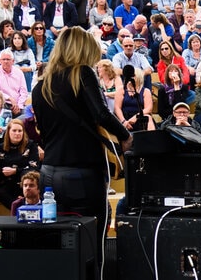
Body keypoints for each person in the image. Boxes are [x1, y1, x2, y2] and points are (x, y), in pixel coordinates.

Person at [32, 26, 132, 255]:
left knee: (61, 242)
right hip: (82, 171)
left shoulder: (40, 87)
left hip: (49, 172)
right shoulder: (83, 74)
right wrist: (125, 137)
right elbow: (102, 114)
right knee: (91, 242)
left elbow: (44, 134)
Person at [0, 118, 40, 209]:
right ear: (8, 132)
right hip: (8, 184)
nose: (17, 133)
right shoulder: (0, 148)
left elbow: (34, 168)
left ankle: (24, 206)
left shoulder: (31, 145)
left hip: (25, 183)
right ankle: (19, 208)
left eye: (20, 131)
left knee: (29, 178)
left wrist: (15, 171)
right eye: (14, 131)